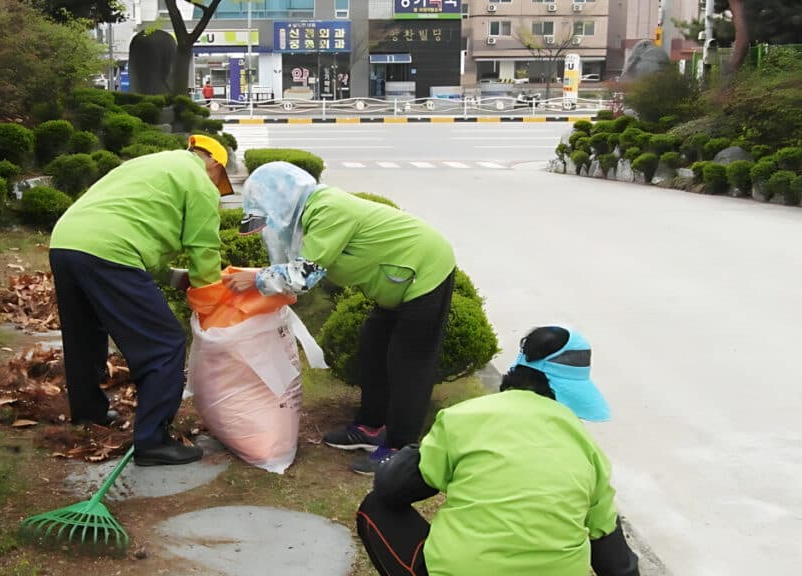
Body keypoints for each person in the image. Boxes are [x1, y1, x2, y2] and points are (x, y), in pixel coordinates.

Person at [223, 161, 457, 474]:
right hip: (397, 282)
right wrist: (264, 279)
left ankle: (401, 448)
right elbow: (300, 268)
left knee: (409, 362)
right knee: (372, 347)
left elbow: (303, 275)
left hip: (425, 270)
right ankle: (371, 428)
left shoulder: (327, 209)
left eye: (268, 215)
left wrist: (256, 279)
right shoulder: (306, 216)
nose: (270, 225)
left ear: (282, 200)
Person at [356, 326, 640, 576]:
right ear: (572, 393)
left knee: (376, 506)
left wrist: (411, 455)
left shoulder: (463, 417)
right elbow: (617, 564)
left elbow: (392, 488)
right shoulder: (588, 450)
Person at [49, 134, 234, 467]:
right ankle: (153, 441)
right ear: (216, 165)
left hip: (66, 242)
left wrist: (177, 278)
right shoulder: (201, 182)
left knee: (84, 335)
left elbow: (139, 235)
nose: (217, 190)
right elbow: (203, 249)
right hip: (110, 252)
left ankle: (87, 412)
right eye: (221, 182)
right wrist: (213, 302)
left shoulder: (151, 164)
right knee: (165, 344)